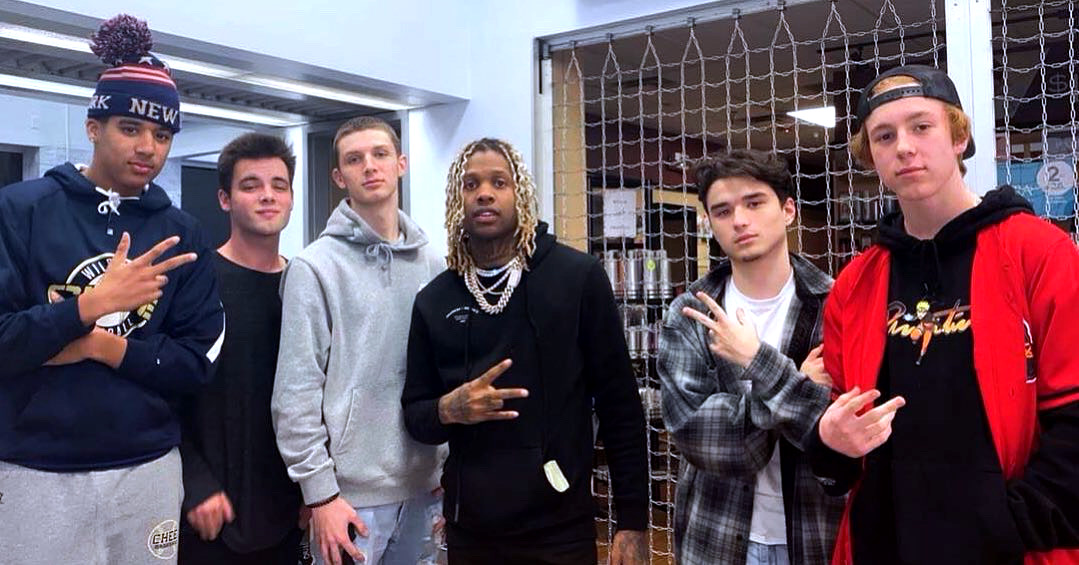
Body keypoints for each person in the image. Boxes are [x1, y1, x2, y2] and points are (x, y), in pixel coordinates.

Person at [809, 64, 1079, 564]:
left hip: (1007, 550)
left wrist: (1007, 525)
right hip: (882, 546)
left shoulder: (1039, 253)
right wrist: (826, 439)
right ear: (872, 158)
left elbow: (1073, 419)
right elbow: (842, 438)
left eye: (921, 126)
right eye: (884, 136)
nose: (904, 147)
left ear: (958, 138)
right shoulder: (855, 283)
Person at [0, 15, 224, 564]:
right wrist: (91, 306)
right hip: (35, 467)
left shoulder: (182, 234)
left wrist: (101, 346)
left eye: (162, 135)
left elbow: (196, 363)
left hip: (147, 465)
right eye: (130, 128)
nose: (148, 147)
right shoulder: (21, 211)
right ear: (93, 127)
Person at [402, 137, 649, 564]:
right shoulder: (434, 300)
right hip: (471, 532)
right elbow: (415, 415)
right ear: (456, 201)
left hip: (560, 528)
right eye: (471, 184)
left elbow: (620, 406)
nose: (484, 193)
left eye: (499, 182)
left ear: (521, 195)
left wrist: (633, 521)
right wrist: (449, 409)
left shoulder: (577, 278)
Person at [272, 116, 445, 565]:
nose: (369, 166)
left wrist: (448, 468)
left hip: (427, 489)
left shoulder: (433, 262)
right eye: (354, 159)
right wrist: (320, 494)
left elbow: (446, 373)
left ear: (401, 164)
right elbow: (295, 392)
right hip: (349, 499)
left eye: (379, 154)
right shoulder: (314, 268)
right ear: (339, 176)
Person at [657, 148, 843, 565]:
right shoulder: (691, 314)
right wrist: (797, 384)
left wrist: (756, 361)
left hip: (816, 535)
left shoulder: (836, 306)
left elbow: (837, 430)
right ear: (710, 223)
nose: (739, 220)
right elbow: (700, 439)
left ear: (788, 210)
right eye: (722, 211)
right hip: (716, 538)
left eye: (754, 203)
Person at [179, 133, 303, 564]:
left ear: (291, 198)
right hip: (211, 517)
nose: (267, 195)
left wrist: (315, 491)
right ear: (225, 199)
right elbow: (164, 393)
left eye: (279, 185)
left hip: (290, 518)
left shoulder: (305, 287)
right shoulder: (196, 285)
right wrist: (194, 482)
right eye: (251, 185)